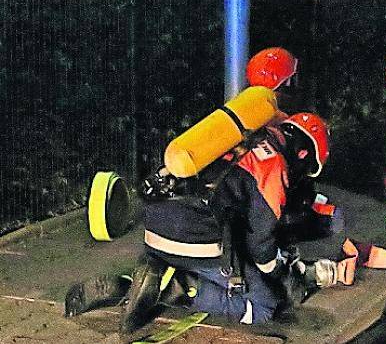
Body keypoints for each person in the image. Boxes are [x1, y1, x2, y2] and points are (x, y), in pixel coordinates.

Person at [66, 112, 340, 331]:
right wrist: (285, 274)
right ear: (304, 154)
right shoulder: (274, 166)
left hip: (155, 225)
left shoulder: (239, 134)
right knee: (263, 305)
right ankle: (179, 288)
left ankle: (149, 273)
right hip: (197, 240)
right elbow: (261, 247)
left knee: (231, 243)